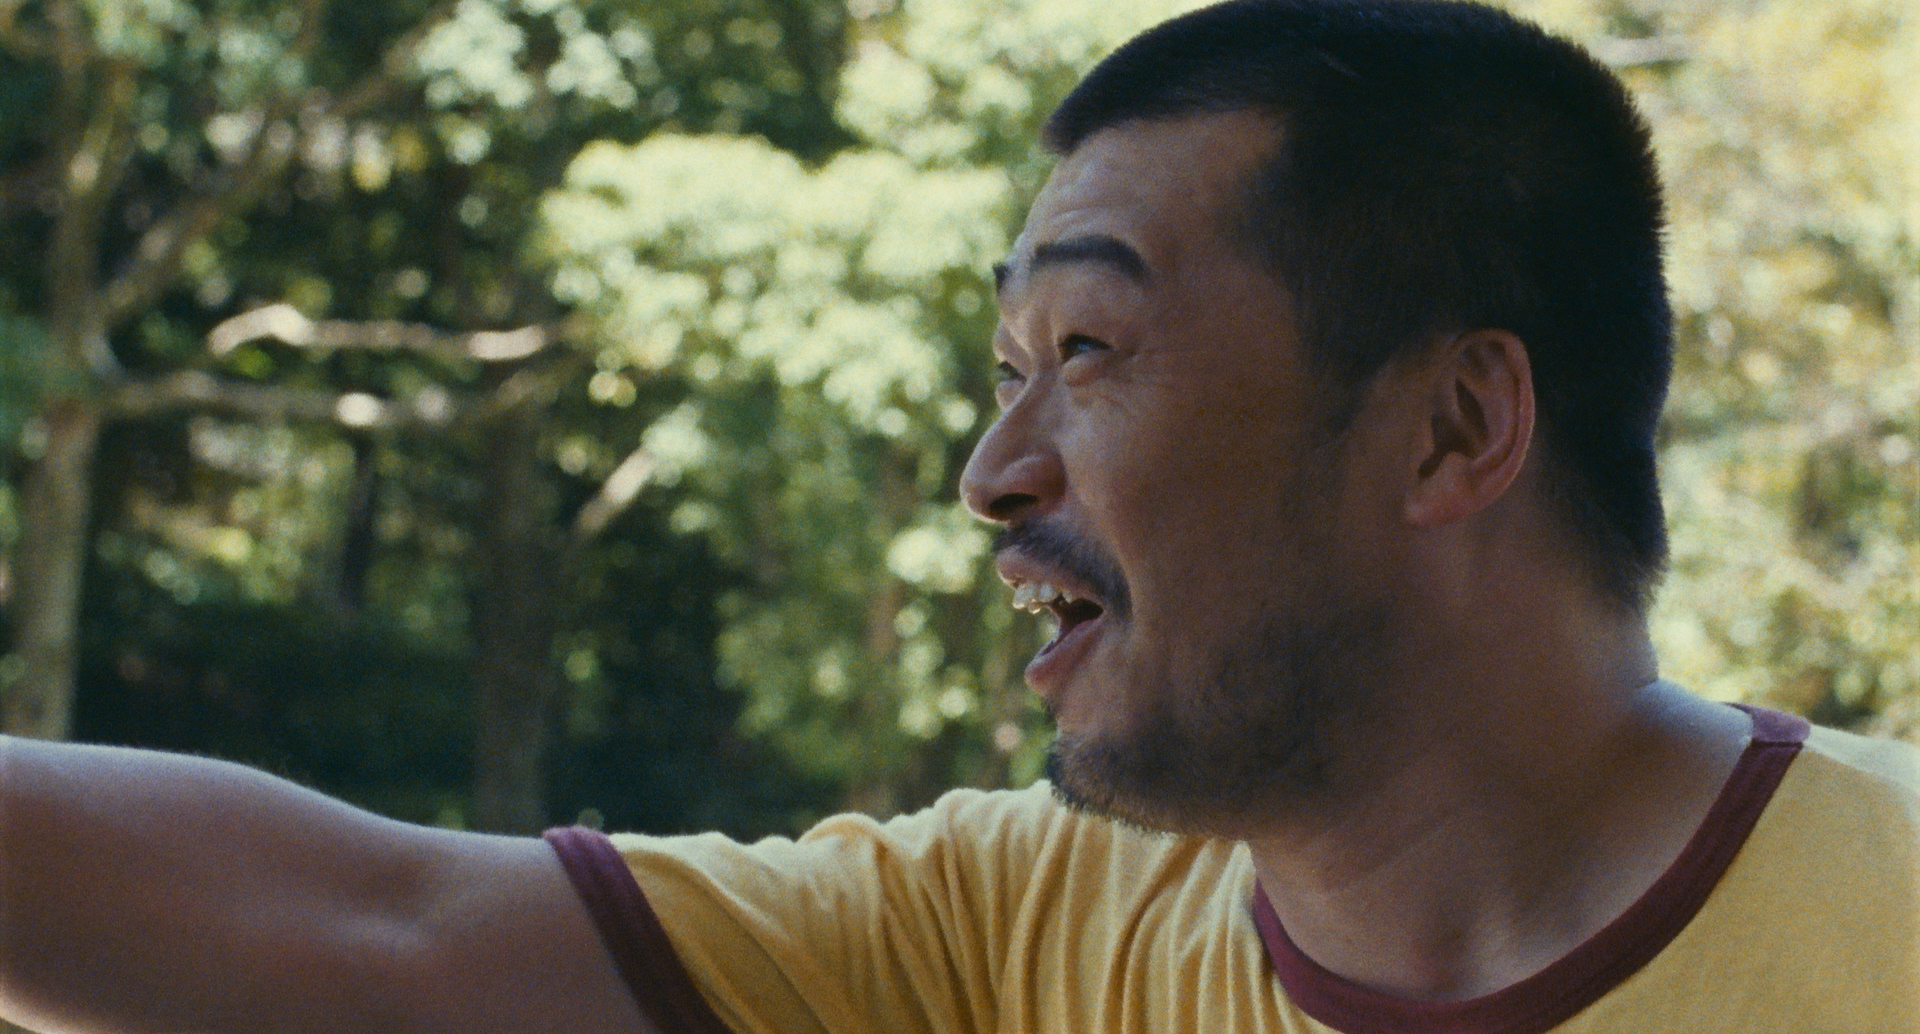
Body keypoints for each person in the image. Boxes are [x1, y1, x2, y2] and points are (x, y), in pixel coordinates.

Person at [3, 0, 1916, 1031]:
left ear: (1454, 425)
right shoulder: (1013, 933)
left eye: (1087, 350)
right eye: (1005, 367)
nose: (994, 473)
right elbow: (380, 932)